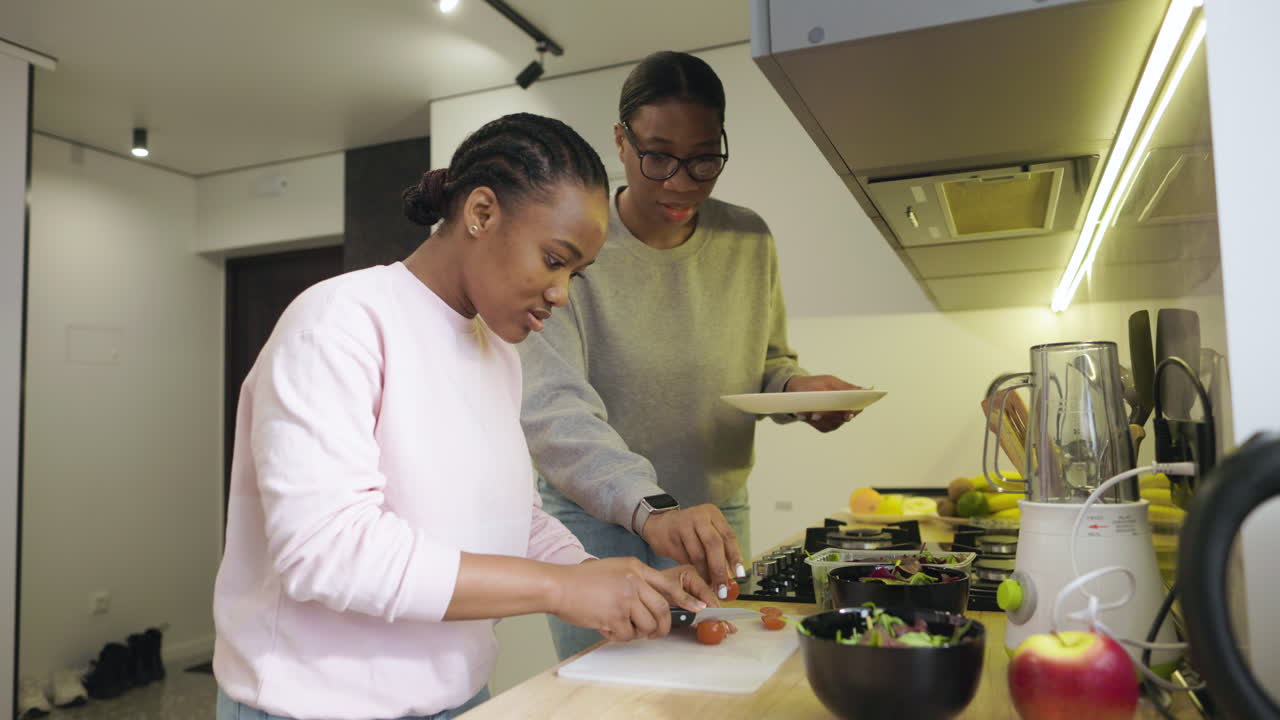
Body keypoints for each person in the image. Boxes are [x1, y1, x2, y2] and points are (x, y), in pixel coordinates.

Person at [212, 112, 717, 720]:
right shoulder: (339, 321)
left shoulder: (499, 354)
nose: (561, 293)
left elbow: (513, 518)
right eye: (554, 259)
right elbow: (327, 549)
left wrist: (604, 576)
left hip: (457, 700)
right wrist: (560, 590)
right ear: (481, 212)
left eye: (575, 274)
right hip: (312, 707)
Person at [519, 51, 866, 660]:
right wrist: (651, 508)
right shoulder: (577, 247)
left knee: (714, 672)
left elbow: (769, 363)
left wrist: (798, 391)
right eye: (658, 156)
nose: (681, 182)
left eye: (704, 159)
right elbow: (554, 412)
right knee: (606, 691)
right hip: (597, 516)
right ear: (621, 142)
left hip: (715, 509)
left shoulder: (748, 238)